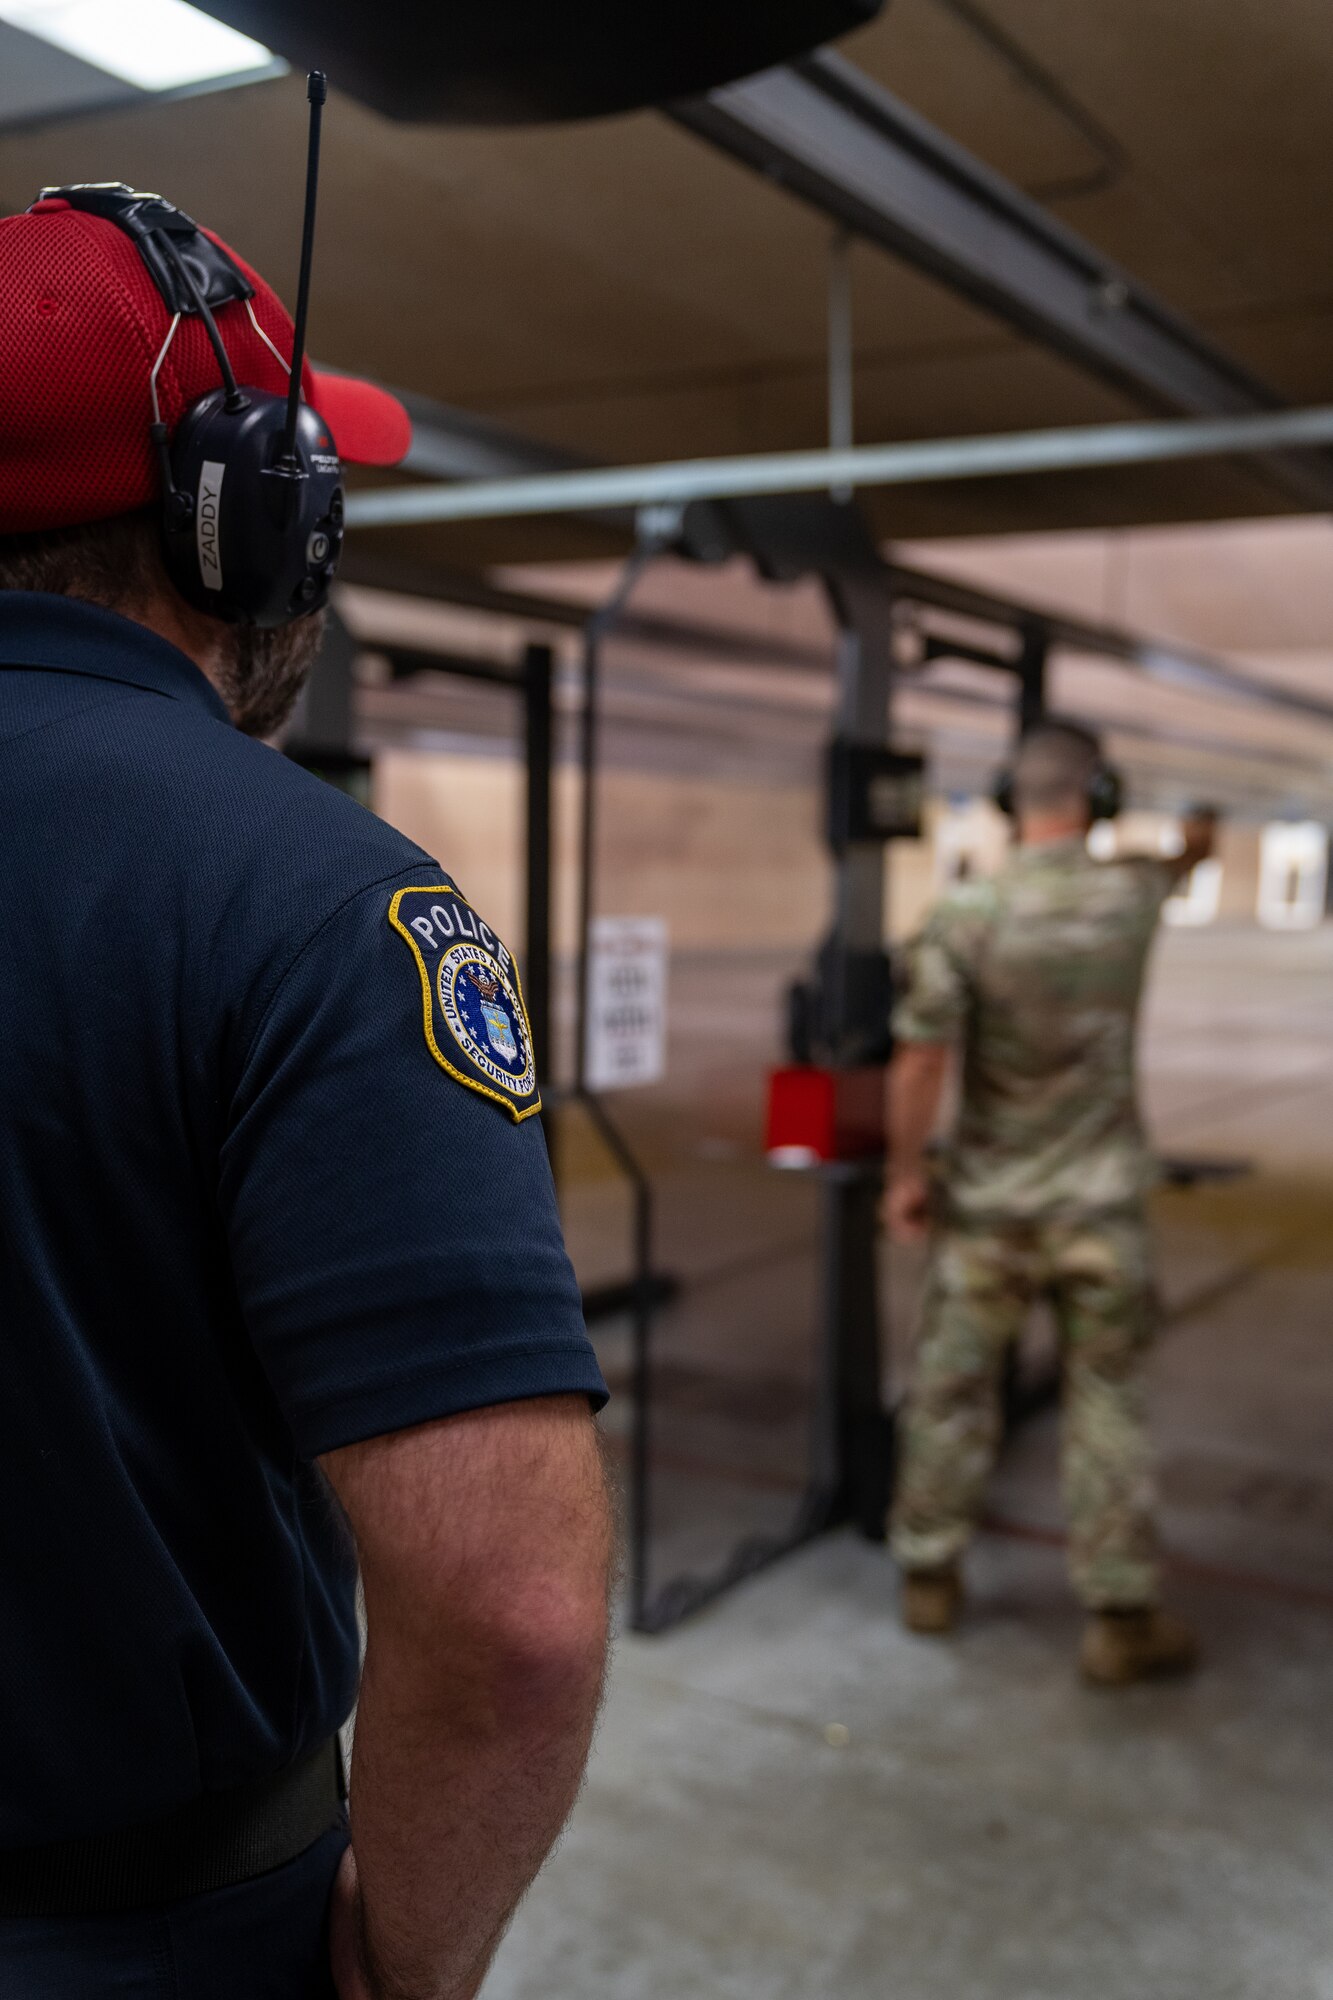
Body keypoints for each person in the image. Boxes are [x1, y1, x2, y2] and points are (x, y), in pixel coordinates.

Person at [0, 189, 611, 1997]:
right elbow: (512, 1618)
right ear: (254, 523)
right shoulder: (320, 902)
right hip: (135, 1935)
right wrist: (397, 1968)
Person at [884, 719, 1217, 1686]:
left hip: (989, 1210)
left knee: (950, 1394)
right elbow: (1183, 858)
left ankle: (929, 1576)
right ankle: (1119, 1615)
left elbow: (921, 1058)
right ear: (1100, 796)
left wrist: (907, 1175)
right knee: (1106, 1401)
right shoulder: (1132, 895)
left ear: (1003, 798)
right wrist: (1196, 831)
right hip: (1103, 1209)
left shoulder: (967, 913)